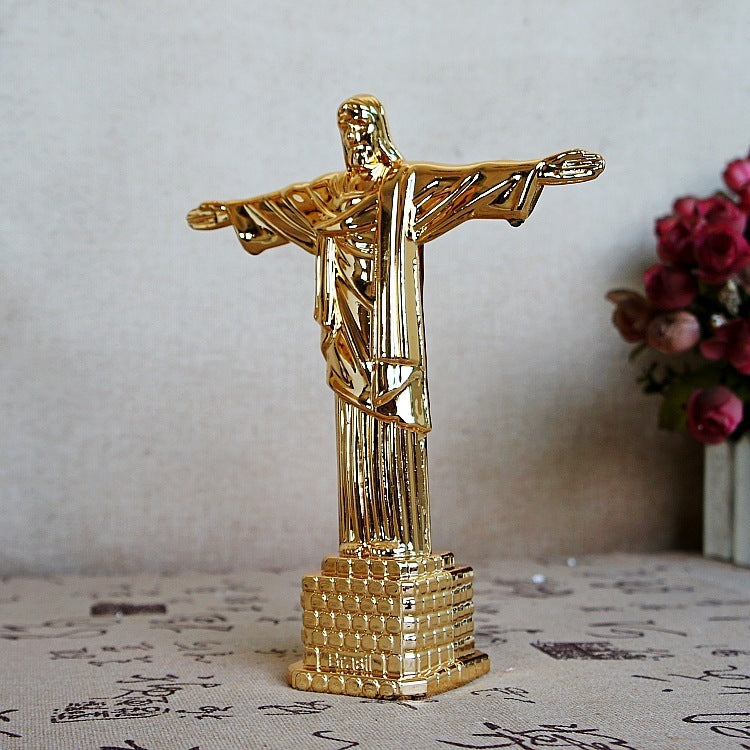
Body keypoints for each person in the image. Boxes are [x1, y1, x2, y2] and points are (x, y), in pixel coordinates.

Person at [188, 94, 604, 558]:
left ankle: (403, 542)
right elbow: (281, 207)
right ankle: (360, 542)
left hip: (390, 324)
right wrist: (230, 213)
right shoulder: (329, 193)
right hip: (346, 318)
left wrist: (537, 172)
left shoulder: (405, 185)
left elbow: (469, 183)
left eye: (361, 127)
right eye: (346, 129)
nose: (354, 137)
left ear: (378, 130)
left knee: (394, 420)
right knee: (354, 421)